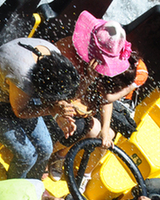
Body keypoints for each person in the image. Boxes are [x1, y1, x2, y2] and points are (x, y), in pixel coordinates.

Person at [49, 13, 148, 170]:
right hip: (53, 102)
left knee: (102, 131)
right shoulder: (67, 55)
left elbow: (104, 98)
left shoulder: (96, 68)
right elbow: (63, 97)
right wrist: (87, 80)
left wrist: (105, 130)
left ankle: (62, 156)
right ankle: (47, 154)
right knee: (83, 127)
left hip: (76, 108)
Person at [0, 38, 80, 179]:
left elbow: (52, 94)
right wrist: (53, 110)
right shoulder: (23, 76)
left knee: (46, 148)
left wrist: (61, 112)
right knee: (27, 156)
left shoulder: (54, 57)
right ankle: (16, 187)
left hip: (16, 96)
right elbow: (21, 111)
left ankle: (33, 182)